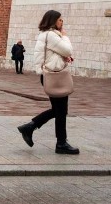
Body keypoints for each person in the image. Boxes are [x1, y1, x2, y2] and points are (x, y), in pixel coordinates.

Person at [17, 10, 79, 155]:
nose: (62, 22)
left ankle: (31, 128)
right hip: (55, 76)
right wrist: (65, 36)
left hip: (49, 75)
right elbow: (67, 49)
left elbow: (55, 53)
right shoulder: (52, 35)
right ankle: (60, 143)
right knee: (61, 111)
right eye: (59, 20)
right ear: (52, 21)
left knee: (60, 111)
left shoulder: (45, 35)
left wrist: (63, 58)